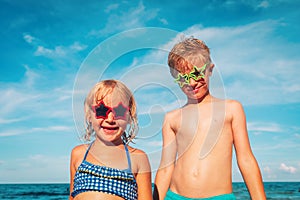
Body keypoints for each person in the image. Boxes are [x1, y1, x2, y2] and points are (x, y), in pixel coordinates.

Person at [154, 37, 266, 200]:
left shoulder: (231, 109)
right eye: (183, 78)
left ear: (210, 70)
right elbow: (166, 168)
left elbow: (246, 159)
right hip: (175, 196)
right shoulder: (172, 118)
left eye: (196, 74)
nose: (191, 82)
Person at [69, 79, 152, 200]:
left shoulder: (138, 158)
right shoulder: (78, 154)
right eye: (101, 111)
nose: (110, 119)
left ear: (129, 116)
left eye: (119, 111)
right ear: (89, 116)